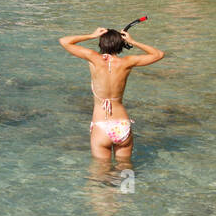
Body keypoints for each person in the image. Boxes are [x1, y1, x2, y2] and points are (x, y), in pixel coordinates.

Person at [58, 27, 164, 161]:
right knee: (125, 171)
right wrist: (133, 41)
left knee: (100, 175)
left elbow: (64, 41)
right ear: (121, 44)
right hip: (122, 124)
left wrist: (91, 35)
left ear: (101, 44)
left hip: (101, 125)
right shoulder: (127, 62)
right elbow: (158, 54)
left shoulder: (94, 58)